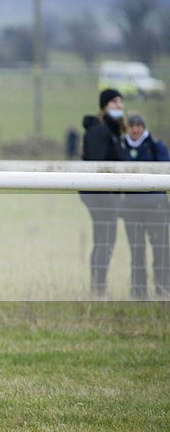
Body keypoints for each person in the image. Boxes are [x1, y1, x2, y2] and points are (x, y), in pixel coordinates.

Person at [80, 88, 128, 297]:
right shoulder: (100, 131)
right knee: (105, 240)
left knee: (104, 240)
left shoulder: (113, 132)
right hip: (101, 196)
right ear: (104, 106)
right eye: (114, 102)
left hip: (109, 195)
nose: (119, 105)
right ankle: (98, 288)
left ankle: (99, 287)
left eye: (120, 101)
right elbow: (95, 165)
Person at [121, 113, 170, 299]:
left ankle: (163, 289)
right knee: (136, 251)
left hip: (155, 206)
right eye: (132, 126)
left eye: (139, 126)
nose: (135, 130)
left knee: (161, 249)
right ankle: (138, 292)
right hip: (131, 207)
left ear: (143, 127)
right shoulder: (121, 147)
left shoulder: (156, 146)